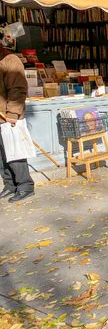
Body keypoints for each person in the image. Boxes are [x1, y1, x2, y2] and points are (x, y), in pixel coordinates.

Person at [0, 28, 34, 203]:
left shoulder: (10, 60)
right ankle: (10, 185)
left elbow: (18, 89)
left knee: (15, 155)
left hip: (9, 116)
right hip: (1, 117)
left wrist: (12, 112)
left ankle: (25, 186)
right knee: (2, 157)